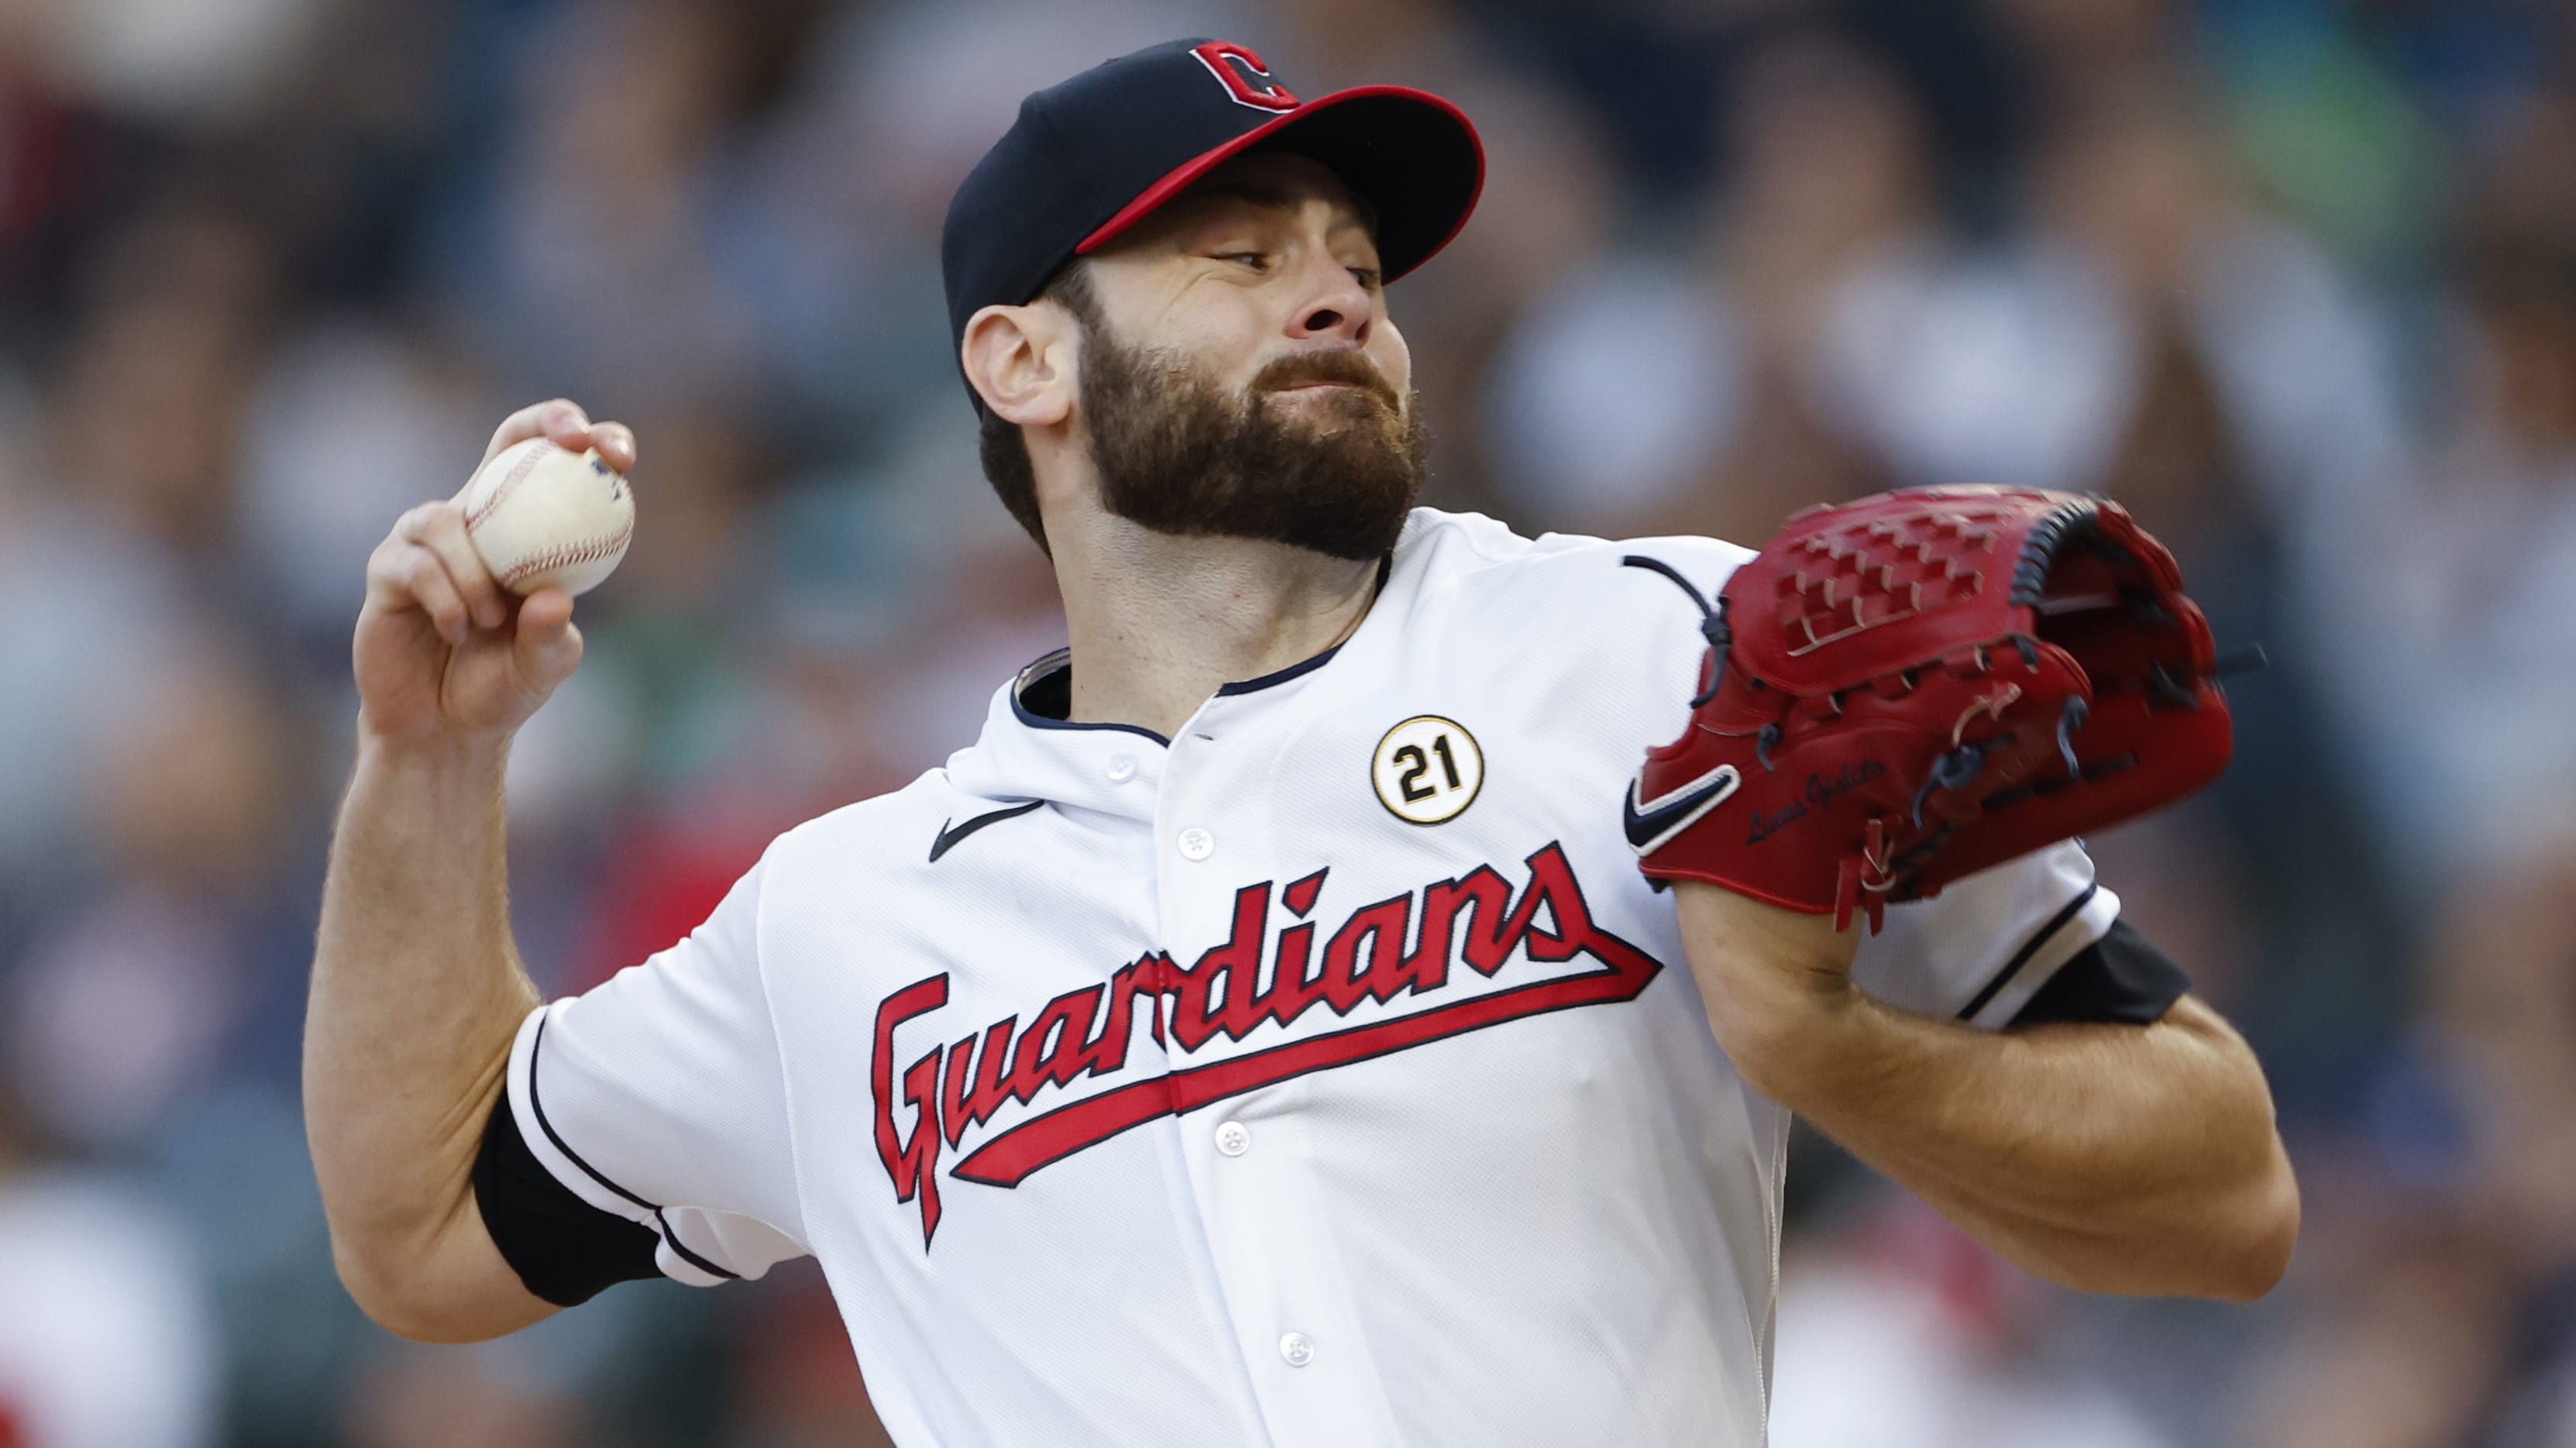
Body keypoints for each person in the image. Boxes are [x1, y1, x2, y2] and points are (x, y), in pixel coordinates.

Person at [305, 39, 2298, 1447]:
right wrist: (431, 763)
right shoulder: (838, 919)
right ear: (1022, 359)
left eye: (1355, 255)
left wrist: (1826, 1044)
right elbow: (424, 1229)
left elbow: (2221, 1187)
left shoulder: (1667, 643)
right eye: (1237, 254)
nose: (1336, 292)